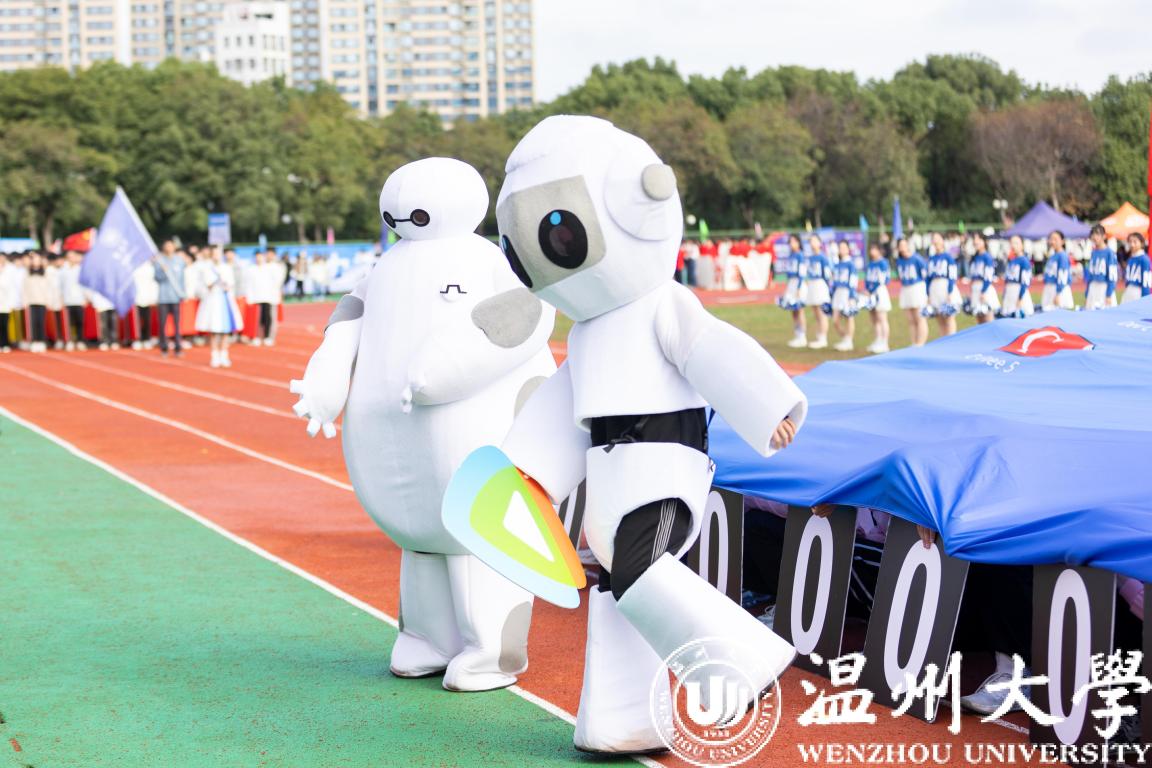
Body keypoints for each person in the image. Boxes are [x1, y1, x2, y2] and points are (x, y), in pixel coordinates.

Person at [195, 246, 244, 368]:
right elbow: (207, 285)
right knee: (214, 330)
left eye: (218, 254)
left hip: (225, 301)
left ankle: (224, 354)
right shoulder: (207, 268)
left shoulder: (226, 268)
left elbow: (230, 284)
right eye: (214, 254)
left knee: (225, 330)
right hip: (212, 301)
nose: (216, 256)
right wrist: (215, 280)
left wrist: (224, 283)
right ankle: (214, 355)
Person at [153, 239, 186, 357]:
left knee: (177, 324)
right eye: (167, 246)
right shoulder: (160, 261)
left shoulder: (179, 261)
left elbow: (182, 279)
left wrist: (183, 293)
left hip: (176, 297)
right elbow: (157, 278)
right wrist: (163, 271)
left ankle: (178, 347)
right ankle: (164, 347)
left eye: (171, 246)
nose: (169, 248)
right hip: (164, 298)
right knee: (163, 324)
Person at [22, 251, 58, 354]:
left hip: (42, 301)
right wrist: (25, 301)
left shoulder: (46, 272)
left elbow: (49, 288)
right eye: (34, 259)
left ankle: (42, 341)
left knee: (41, 322)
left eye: (38, 259)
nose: (36, 261)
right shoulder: (27, 272)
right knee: (33, 322)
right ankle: (34, 341)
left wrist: (49, 300)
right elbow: (25, 288)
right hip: (32, 301)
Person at [924, 232, 959, 337]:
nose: (935, 241)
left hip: (945, 286)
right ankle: (943, 341)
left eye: (937, 239)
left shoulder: (948, 257)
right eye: (933, 239)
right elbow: (928, 278)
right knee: (939, 318)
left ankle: (952, 341)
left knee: (949, 317)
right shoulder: (931, 258)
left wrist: (950, 291)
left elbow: (952, 275)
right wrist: (928, 294)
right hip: (934, 288)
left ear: (942, 241)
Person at [895, 238, 928, 346]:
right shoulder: (899, 261)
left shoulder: (916, 258)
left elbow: (925, 274)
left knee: (919, 317)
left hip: (916, 287)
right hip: (906, 288)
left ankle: (921, 343)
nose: (902, 247)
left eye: (904, 245)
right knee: (910, 319)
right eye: (900, 245)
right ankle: (914, 342)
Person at [802, 234, 831, 349]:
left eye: (814, 241)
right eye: (811, 241)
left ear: (819, 243)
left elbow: (827, 274)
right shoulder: (810, 258)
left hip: (820, 284)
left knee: (821, 312)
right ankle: (819, 335)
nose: (812, 243)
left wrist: (827, 287)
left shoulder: (823, 257)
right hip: (812, 284)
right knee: (815, 311)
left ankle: (823, 338)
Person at [778, 234, 808, 348]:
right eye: (790, 242)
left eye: (794, 241)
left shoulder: (800, 255)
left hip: (798, 284)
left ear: (799, 243)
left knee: (799, 310)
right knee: (793, 311)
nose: (792, 244)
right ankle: (797, 334)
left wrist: (799, 288)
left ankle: (803, 336)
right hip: (791, 284)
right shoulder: (791, 256)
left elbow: (801, 273)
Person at [829, 240, 858, 352]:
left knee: (848, 317)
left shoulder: (850, 264)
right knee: (835, 320)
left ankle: (849, 341)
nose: (841, 250)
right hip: (838, 292)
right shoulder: (837, 264)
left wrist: (851, 295)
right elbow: (834, 280)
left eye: (844, 247)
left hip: (847, 292)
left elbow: (853, 280)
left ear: (848, 249)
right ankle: (845, 338)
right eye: (840, 247)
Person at [964, 233, 999, 324]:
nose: (976, 242)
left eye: (978, 239)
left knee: (989, 320)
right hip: (975, 289)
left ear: (984, 242)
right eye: (974, 239)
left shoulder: (987, 257)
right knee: (979, 321)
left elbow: (989, 276)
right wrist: (971, 291)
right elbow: (972, 276)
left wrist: (983, 292)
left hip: (984, 289)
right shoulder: (975, 257)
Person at [863, 243, 891, 353]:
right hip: (870, 293)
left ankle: (885, 342)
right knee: (874, 318)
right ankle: (878, 339)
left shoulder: (883, 263)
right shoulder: (870, 264)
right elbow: (867, 279)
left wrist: (873, 290)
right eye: (871, 249)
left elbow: (883, 280)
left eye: (874, 249)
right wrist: (867, 290)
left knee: (882, 317)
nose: (872, 251)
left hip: (879, 292)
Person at [1084, 225, 1118, 310]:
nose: (1094, 237)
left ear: (1104, 236)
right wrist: (1087, 293)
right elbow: (1090, 275)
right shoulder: (1093, 252)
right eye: (1093, 234)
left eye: (1097, 234)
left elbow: (1112, 276)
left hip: (1104, 287)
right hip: (1093, 287)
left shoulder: (1109, 253)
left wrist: (1109, 294)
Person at [1000, 235, 1034, 318]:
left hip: (1018, 292)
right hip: (1010, 293)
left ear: (1022, 245)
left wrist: (1020, 298)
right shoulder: (1011, 261)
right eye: (1011, 243)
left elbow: (1025, 281)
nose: (1013, 245)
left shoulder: (1024, 261)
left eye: (1016, 243)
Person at [1040, 230, 1074, 312]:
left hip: (1058, 289)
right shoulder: (1053, 256)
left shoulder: (1062, 256)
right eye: (1051, 239)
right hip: (1050, 288)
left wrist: (1058, 294)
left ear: (1062, 241)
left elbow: (1063, 276)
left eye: (1055, 239)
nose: (1052, 242)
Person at [1121, 233, 1151, 303]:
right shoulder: (1131, 258)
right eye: (1130, 242)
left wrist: (1145, 299)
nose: (1132, 244)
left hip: (1138, 291)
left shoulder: (1144, 259)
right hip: (1128, 291)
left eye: (1135, 242)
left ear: (1142, 243)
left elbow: (1146, 282)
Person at [87, 286, 117, 350]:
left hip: (112, 305)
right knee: (103, 325)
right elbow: (95, 292)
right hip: (102, 306)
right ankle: (104, 341)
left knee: (112, 324)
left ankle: (113, 341)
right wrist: (96, 303)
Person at [0, 255, 13, 353]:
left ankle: (5, 344)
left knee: (5, 325)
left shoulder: (9, 271)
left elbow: (10, 288)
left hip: (5, 304)